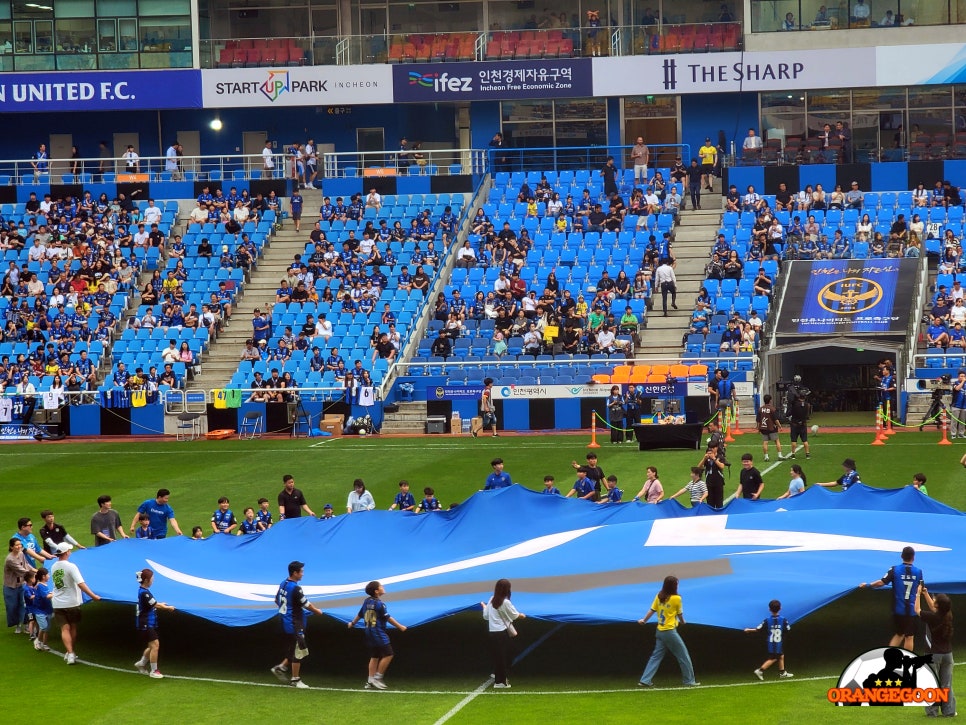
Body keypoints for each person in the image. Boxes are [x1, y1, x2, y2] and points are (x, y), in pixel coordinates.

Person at [271, 561, 325, 689]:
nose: (303, 574)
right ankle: (295, 680)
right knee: (299, 650)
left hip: (286, 621)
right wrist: (317, 611)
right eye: (301, 571)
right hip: (294, 623)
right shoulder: (296, 588)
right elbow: (306, 604)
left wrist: (285, 611)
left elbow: (276, 600)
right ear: (295, 573)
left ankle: (281, 667)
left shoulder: (283, 583)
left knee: (293, 647)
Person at [859, 546, 924, 651]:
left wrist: (867, 585)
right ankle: (907, 661)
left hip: (898, 609)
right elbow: (920, 587)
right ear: (913, 557)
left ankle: (888, 657)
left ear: (901, 556)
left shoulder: (895, 569)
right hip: (912, 610)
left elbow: (881, 582)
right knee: (909, 637)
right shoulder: (918, 572)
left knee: (899, 634)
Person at [638, 575, 699, 687]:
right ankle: (689, 681)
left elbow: (652, 611)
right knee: (683, 656)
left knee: (656, 656)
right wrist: (683, 622)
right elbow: (680, 615)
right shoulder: (676, 599)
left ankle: (645, 680)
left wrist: (644, 620)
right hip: (670, 631)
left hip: (660, 631)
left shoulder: (659, 596)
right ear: (674, 586)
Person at [347, 581, 407, 690]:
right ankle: (377, 678)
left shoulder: (366, 601)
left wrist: (352, 623)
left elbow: (360, 614)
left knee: (374, 656)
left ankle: (370, 681)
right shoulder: (380, 604)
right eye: (381, 586)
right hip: (378, 633)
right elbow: (388, 617)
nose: (383, 587)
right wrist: (400, 626)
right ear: (376, 591)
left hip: (369, 632)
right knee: (389, 654)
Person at [50, 541, 101, 665]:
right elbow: (80, 583)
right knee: (72, 627)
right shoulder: (71, 566)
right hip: (72, 602)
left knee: (64, 628)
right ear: (66, 552)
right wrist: (93, 596)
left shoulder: (53, 566)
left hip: (58, 602)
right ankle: (71, 652)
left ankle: (70, 652)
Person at [482, 578, 526, 689]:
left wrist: (484, 607)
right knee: (504, 656)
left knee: (499, 656)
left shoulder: (492, 599)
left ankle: (498, 675)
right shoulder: (505, 602)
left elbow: (486, 616)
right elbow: (515, 615)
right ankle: (500, 682)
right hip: (501, 633)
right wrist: (522, 615)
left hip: (492, 633)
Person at [919, 588, 956, 718]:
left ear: (938, 605)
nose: (933, 600)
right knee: (947, 684)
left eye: (935, 600)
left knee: (931, 683)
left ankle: (932, 711)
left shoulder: (932, 617)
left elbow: (917, 610)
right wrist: (925, 594)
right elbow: (934, 608)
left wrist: (918, 594)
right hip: (948, 655)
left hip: (933, 655)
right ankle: (949, 710)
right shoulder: (947, 615)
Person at [134, 568, 175, 679]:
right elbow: (155, 605)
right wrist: (167, 608)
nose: (153, 580)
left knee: (151, 646)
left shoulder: (143, 592)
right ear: (147, 580)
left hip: (147, 623)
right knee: (155, 645)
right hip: (146, 624)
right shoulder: (145, 593)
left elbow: (153, 603)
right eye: (152, 578)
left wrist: (160, 604)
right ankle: (154, 671)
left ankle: (141, 663)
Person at [745, 599, 794, 681]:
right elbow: (788, 629)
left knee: (781, 655)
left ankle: (782, 673)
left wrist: (749, 630)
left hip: (771, 642)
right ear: (780, 608)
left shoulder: (767, 620)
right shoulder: (783, 619)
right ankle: (760, 670)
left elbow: (758, 629)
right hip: (778, 642)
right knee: (774, 658)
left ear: (769, 609)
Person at [5, 537, 33, 633]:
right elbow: (21, 570)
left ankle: (25, 624)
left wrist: (34, 570)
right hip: (11, 586)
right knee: (12, 606)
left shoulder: (21, 553)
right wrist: (33, 575)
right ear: (11, 547)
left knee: (24, 604)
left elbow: (26, 565)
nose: (19, 546)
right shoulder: (10, 559)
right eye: (16, 545)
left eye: (20, 544)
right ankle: (17, 624)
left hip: (21, 584)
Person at [756, 394, 783, 461]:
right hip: (772, 428)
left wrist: (758, 428)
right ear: (770, 400)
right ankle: (779, 455)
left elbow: (758, 420)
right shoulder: (772, 409)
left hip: (763, 428)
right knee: (777, 441)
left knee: (765, 442)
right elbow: (775, 420)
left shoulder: (760, 409)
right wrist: (780, 426)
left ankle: (766, 456)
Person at [701, 441, 727, 509]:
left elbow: (722, 466)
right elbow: (699, 468)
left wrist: (714, 459)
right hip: (708, 483)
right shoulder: (707, 458)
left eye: (713, 447)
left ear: (716, 448)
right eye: (710, 447)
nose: (711, 449)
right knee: (710, 504)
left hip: (718, 483)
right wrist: (704, 459)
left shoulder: (720, 457)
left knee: (719, 503)